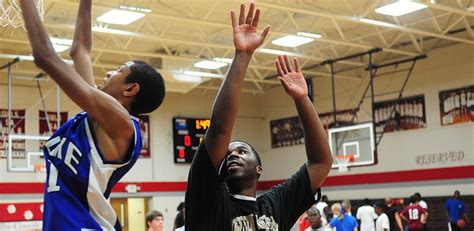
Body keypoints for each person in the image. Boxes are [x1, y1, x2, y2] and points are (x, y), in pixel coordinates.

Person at [184, 3, 333, 230]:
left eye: (242, 151)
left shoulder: (276, 205)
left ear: (259, 169)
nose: (233, 154)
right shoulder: (209, 199)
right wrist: (242, 55)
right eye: (229, 153)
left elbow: (321, 162)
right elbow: (219, 129)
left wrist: (302, 99)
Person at [19, 0, 165, 230]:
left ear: (130, 89)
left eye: (119, 70)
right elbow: (80, 50)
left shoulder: (121, 124)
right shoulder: (98, 115)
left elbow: (44, 56)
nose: (108, 72)